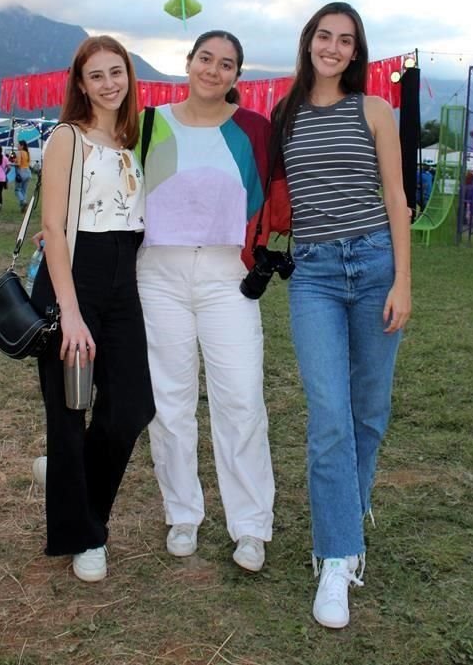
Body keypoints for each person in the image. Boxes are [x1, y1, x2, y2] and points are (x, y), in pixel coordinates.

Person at [273, 2, 411, 629]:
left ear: (356, 53)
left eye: (345, 40)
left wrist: (403, 281)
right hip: (316, 277)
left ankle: (346, 518)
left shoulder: (374, 110)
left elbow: (396, 197)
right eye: (324, 36)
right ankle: (336, 556)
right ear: (309, 43)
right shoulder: (286, 116)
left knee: (369, 411)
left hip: (377, 264)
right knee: (329, 415)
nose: (332, 47)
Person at [137, 30, 288, 573]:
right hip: (158, 274)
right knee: (170, 401)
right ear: (189, 62)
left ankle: (250, 525)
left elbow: (277, 198)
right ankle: (182, 513)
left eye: (226, 64)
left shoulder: (254, 130)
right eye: (206, 58)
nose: (213, 70)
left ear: (237, 76)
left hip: (228, 276)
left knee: (241, 399)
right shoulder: (149, 124)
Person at [30, 35, 155, 583]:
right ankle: (87, 535)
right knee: (68, 409)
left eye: (117, 72)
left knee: (131, 406)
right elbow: (54, 228)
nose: (109, 83)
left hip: (122, 279)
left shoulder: (130, 140)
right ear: (80, 84)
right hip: (73, 279)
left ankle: (69, 477)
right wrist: (71, 312)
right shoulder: (67, 139)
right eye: (97, 75)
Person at [14, 139, 32, 213]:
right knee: (24, 191)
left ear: (22, 146)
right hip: (28, 172)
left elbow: (18, 164)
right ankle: (23, 208)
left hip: (21, 172)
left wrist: (10, 164)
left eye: (18, 145)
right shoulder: (27, 153)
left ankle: (23, 201)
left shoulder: (19, 153)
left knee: (17, 190)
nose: (17, 146)